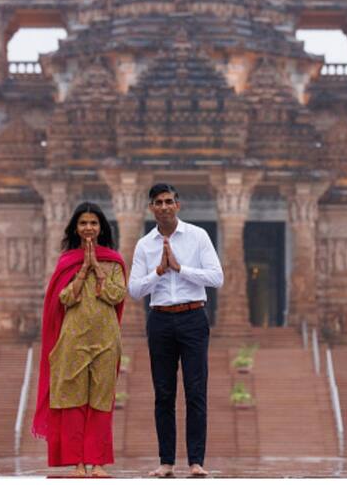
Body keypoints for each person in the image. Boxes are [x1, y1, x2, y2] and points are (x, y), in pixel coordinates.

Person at [129, 183, 224, 477]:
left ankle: (196, 461)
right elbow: (133, 290)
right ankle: (166, 461)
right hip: (160, 319)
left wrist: (180, 268)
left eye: (169, 201)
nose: (165, 206)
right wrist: (158, 271)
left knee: (196, 391)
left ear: (178, 205)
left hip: (193, 315)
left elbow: (216, 277)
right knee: (164, 392)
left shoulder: (198, 236)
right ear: (151, 208)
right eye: (158, 202)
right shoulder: (145, 244)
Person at [32, 202, 127, 477]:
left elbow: (116, 295)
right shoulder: (67, 262)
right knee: (73, 401)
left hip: (106, 338)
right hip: (73, 338)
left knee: (100, 400)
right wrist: (83, 269)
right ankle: (78, 464)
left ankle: (97, 464)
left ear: (101, 228)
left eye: (93, 223)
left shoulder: (113, 261)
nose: (88, 228)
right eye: (83, 223)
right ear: (76, 227)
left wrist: (97, 267)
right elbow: (65, 299)